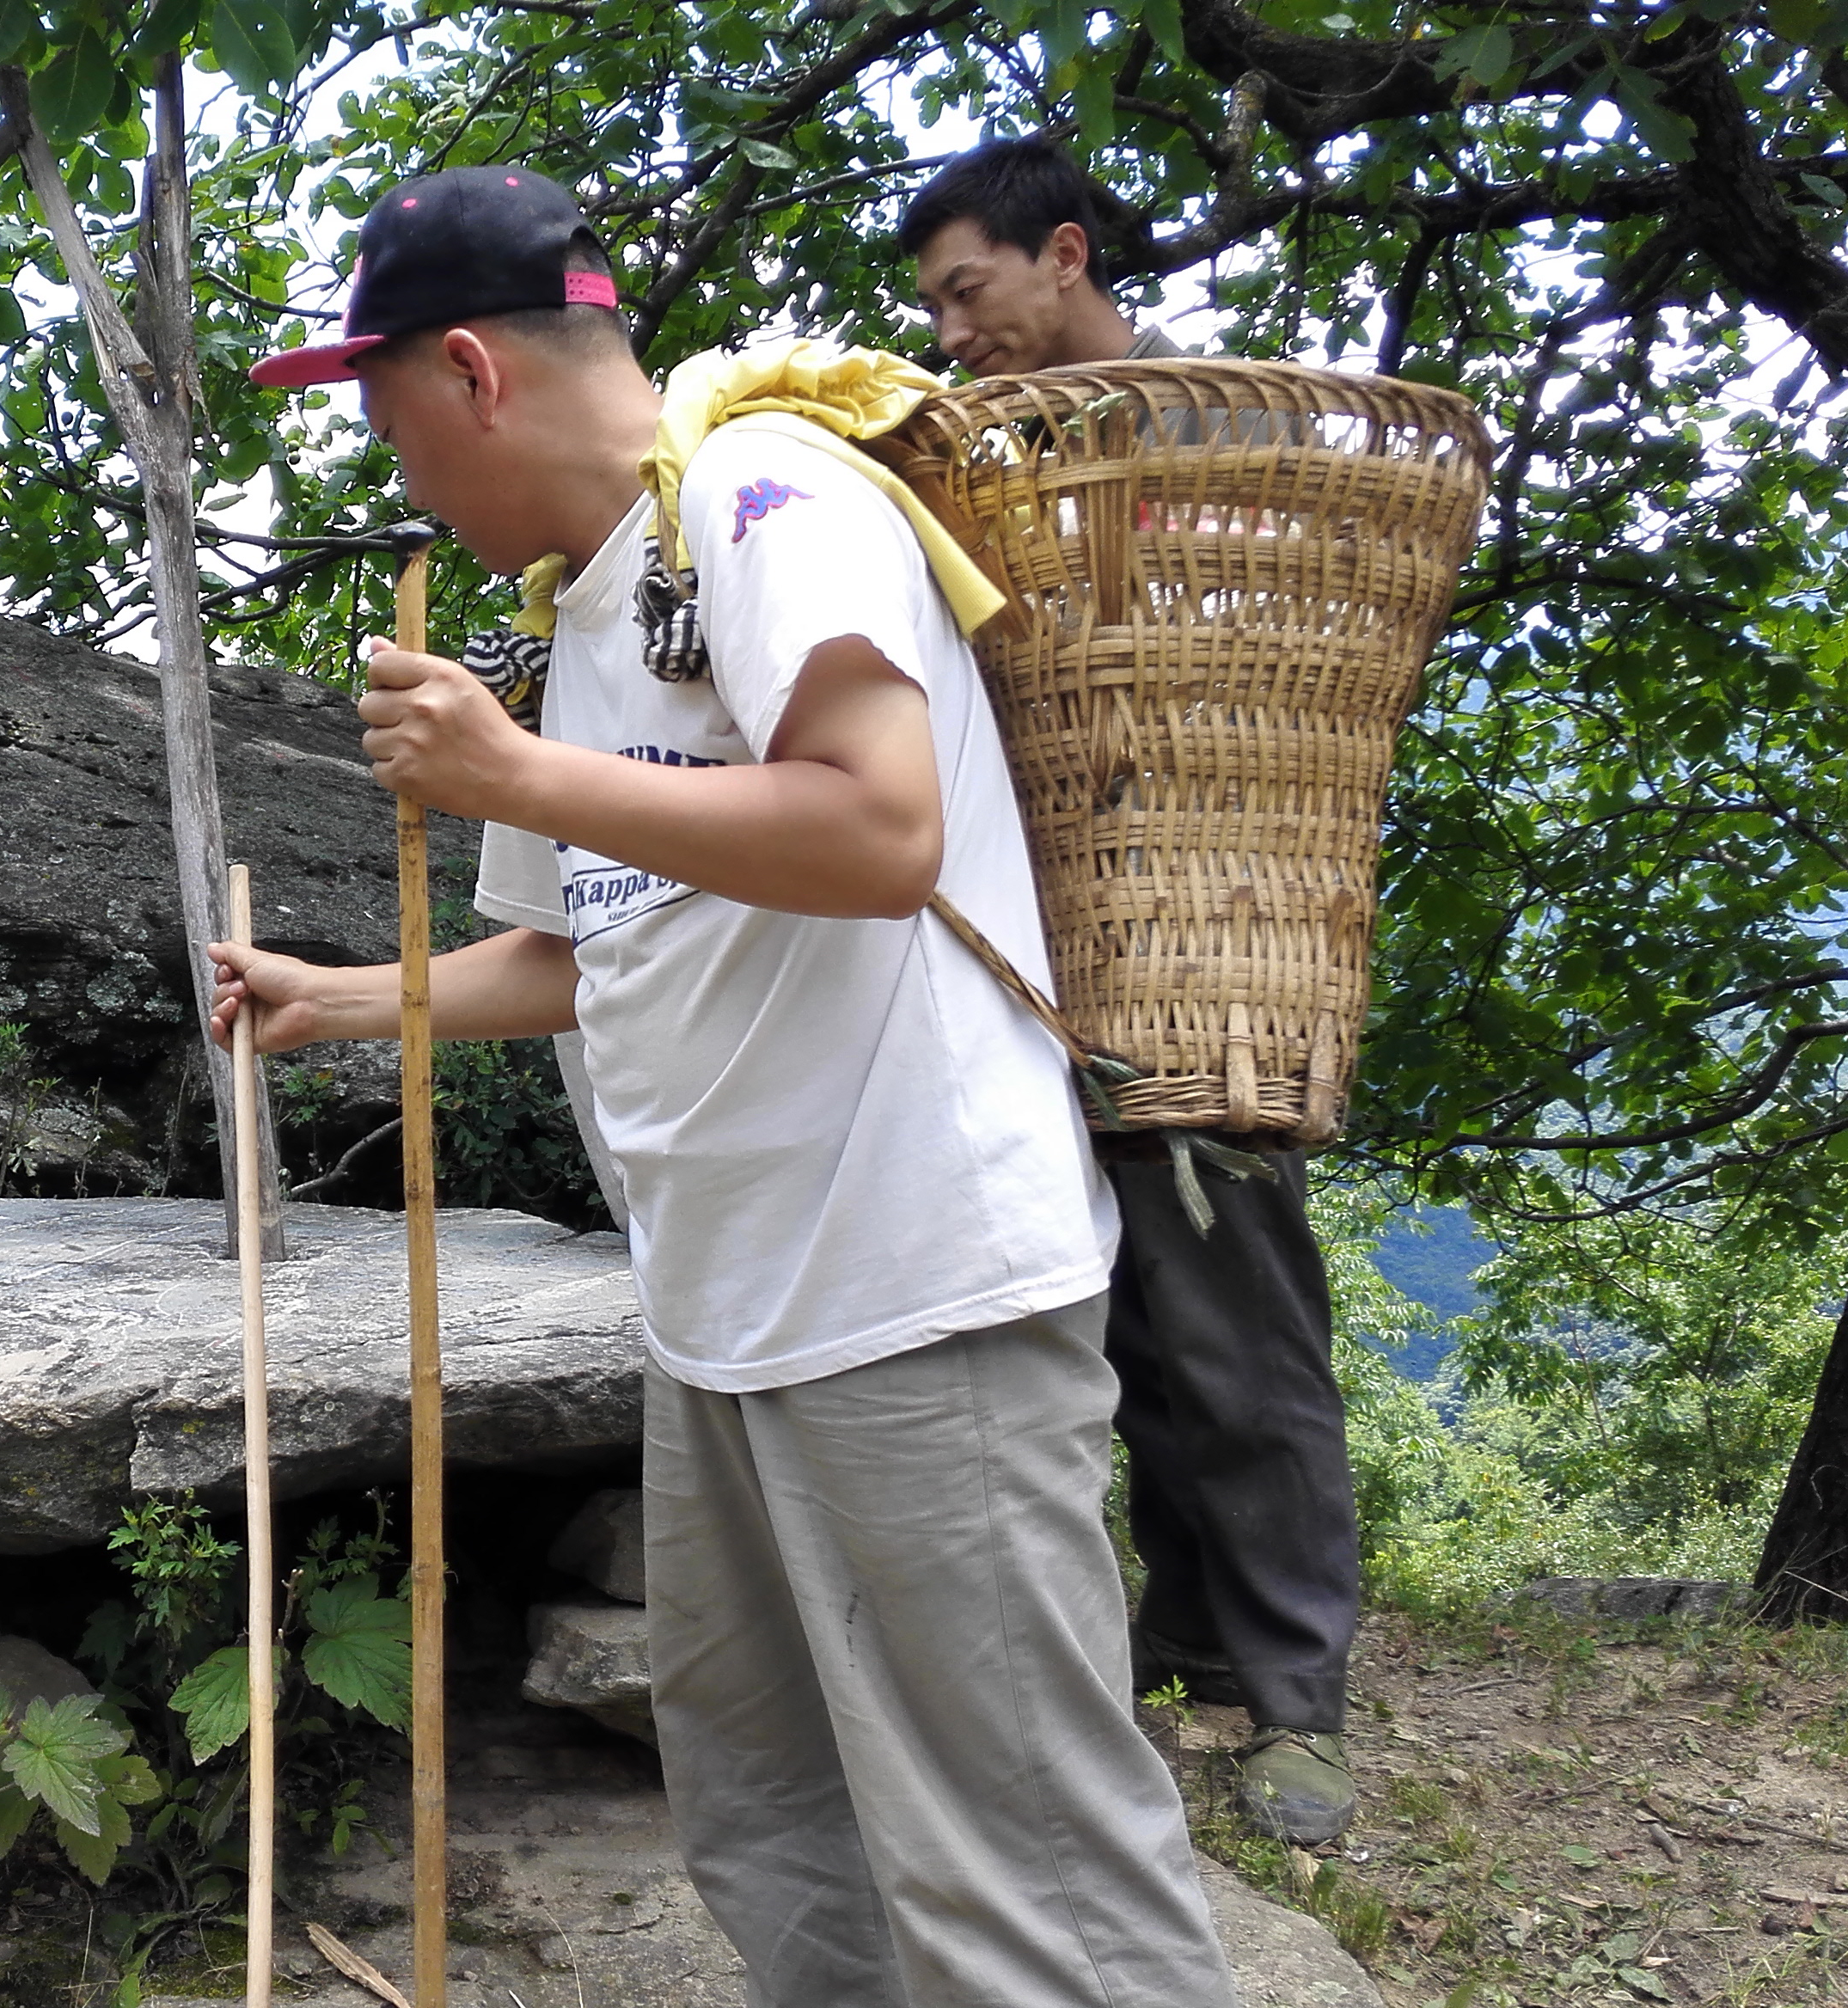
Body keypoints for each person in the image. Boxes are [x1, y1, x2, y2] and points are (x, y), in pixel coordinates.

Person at [229, 166, 1237, 2008]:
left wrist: (507, 774)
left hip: (913, 1282)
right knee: (775, 1817)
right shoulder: (581, 616)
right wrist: (341, 1000)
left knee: (1023, 1865)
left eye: (382, 415)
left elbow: (878, 828)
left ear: (469, 372)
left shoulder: (772, 498)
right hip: (723, 1314)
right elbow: (585, 944)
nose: (397, 476)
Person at [902, 132, 1366, 1846]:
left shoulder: (1218, 428)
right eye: (935, 309)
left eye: (968, 291)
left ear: (1066, 254)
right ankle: (1190, 1638)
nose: (954, 332)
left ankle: (1301, 1698)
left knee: (1239, 1322)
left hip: (1213, 940)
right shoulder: (995, 464)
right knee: (1119, 1322)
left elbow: (1274, 636)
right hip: (1049, 945)